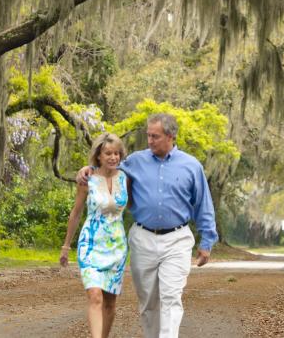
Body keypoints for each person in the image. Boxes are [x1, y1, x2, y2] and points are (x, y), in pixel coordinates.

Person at [78, 113, 217, 338]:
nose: (150, 141)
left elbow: (203, 204)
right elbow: (107, 166)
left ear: (171, 136)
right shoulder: (135, 161)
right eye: (148, 135)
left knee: (171, 298)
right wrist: (87, 169)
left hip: (177, 239)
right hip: (143, 238)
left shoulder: (191, 166)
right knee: (148, 302)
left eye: (155, 136)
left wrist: (207, 241)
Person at [62, 132, 130, 338]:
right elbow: (76, 212)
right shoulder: (87, 179)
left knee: (110, 302)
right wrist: (66, 246)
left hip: (117, 247)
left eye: (117, 153)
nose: (113, 157)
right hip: (91, 244)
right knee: (95, 296)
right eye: (108, 153)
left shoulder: (125, 177)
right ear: (98, 156)